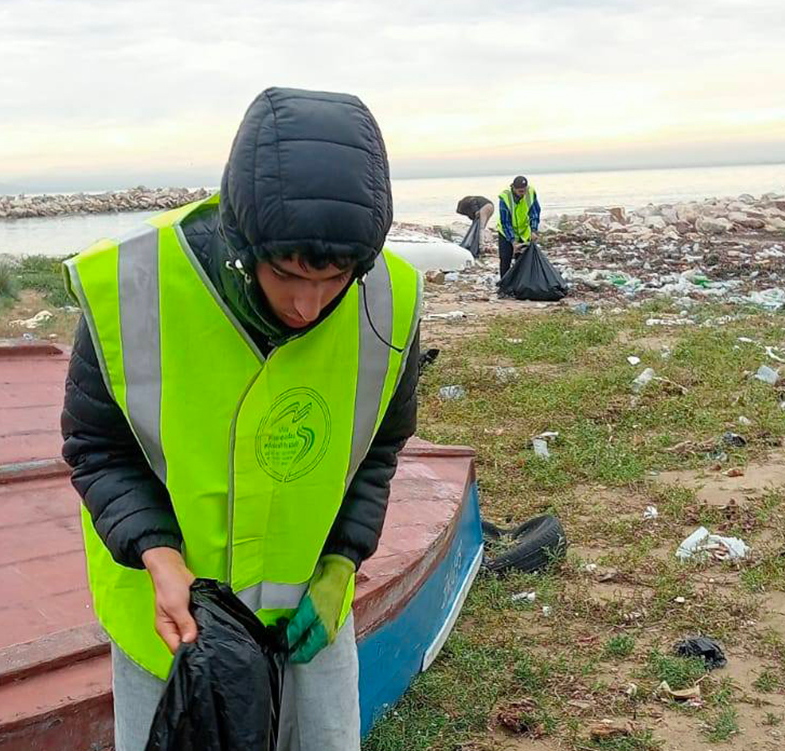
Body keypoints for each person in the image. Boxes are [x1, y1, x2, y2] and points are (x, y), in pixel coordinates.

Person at [60, 87, 423, 751]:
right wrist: (160, 558)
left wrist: (341, 566)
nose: (310, 305)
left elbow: (378, 449)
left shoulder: (388, 299)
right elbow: (97, 448)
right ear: (241, 236)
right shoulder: (134, 289)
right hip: (172, 619)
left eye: (335, 278)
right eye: (288, 274)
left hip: (307, 615)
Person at [494, 175, 541, 278]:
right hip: (506, 232)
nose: (523, 193)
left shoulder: (530, 193)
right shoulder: (505, 198)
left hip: (523, 231)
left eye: (524, 190)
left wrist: (533, 230)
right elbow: (505, 222)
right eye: (520, 191)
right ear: (513, 188)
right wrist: (513, 242)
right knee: (505, 258)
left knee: (522, 259)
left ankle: (520, 284)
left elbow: (535, 213)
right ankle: (504, 284)